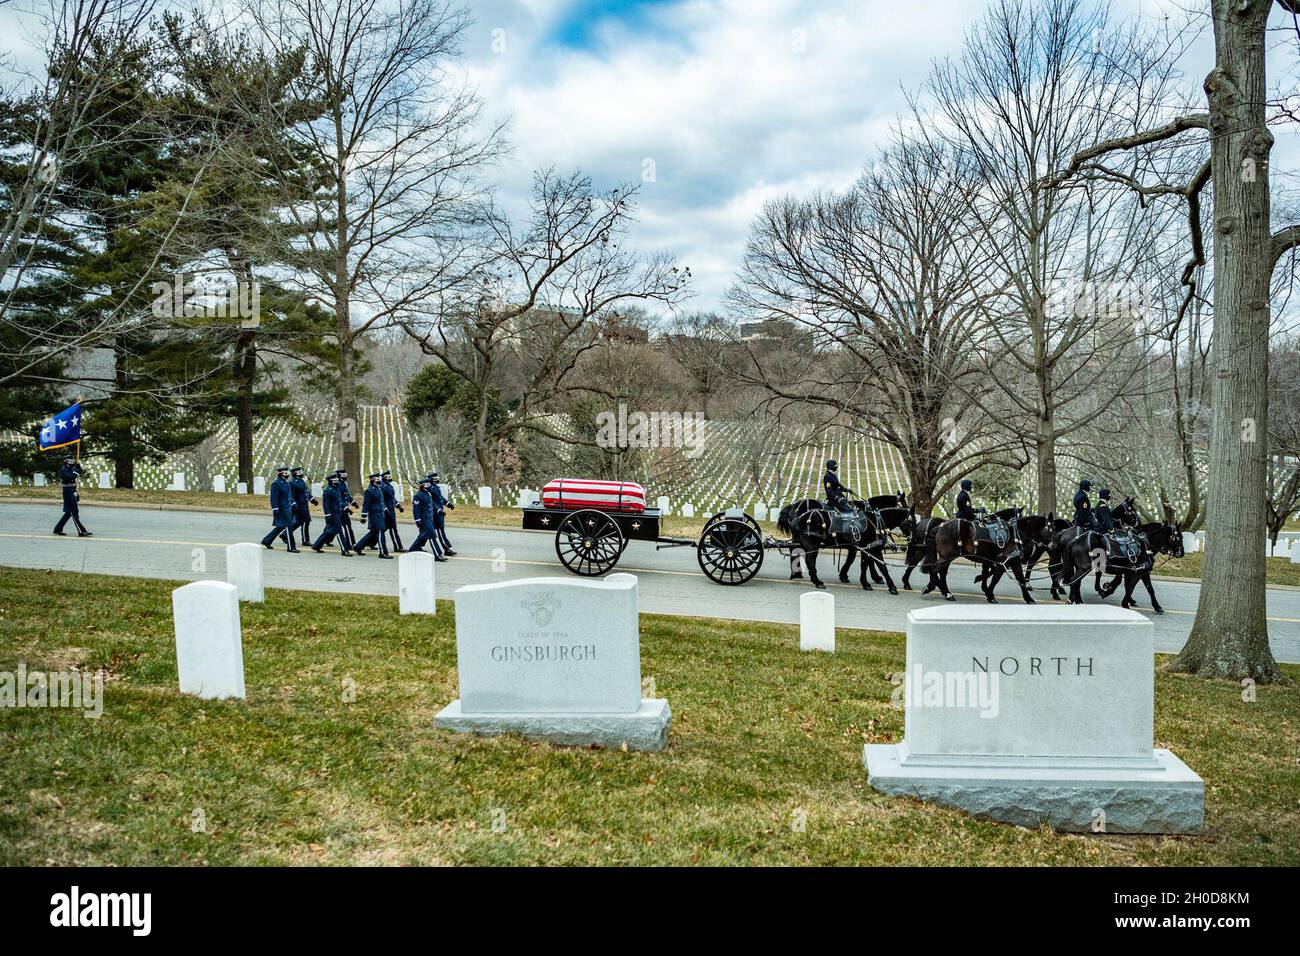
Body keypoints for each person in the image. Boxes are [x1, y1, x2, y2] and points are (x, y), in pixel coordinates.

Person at [311, 473, 353, 556]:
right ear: (331, 481)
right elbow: (325, 505)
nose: (337, 482)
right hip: (333, 514)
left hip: (338, 512)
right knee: (339, 532)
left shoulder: (336, 489)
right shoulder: (328, 491)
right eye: (335, 481)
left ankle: (317, 545)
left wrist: (346, 508)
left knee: (329, 531)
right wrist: (327, 515)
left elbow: (340, 501)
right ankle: (344, 550)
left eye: (337, 481)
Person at [352, 472, 392, 558]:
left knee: (373, 532)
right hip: (374, 515)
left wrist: (386, 510)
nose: (379, 480)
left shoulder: (379, 489)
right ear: (372, 480)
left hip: (380, 514)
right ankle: (383, 552)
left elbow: (381, 501)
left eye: (379, 479)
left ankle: (358, 547)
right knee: (381, 532)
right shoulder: (369, 491)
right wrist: (363, 516)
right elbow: (366, 504)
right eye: (377, 479)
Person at [408, 475, 446, 560]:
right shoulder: (418, 495)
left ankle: (413, 549)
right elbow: (416, 509)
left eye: (428, 484)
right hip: (424, 519)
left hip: (429, 518)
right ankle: (437, 555)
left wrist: (439, 511)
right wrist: (417, 520)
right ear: (422, 486)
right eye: (426, 484)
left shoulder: (428, 494)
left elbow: (432, 504)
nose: (428, 486)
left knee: (423, 535)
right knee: (432, 535)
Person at [52, 455, 92, 537]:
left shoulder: (71, 469)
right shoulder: (63, 470)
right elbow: (72, 476)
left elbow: (76, 474)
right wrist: (76, 470)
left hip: (72, 491)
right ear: (66, 462)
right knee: (74, 512)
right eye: (70, 461)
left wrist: (78, 467)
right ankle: (81, 531)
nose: (72, 463)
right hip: (67, 492)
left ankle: (58, 529)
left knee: (68, 513)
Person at [261, 466, 299, 551]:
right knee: (289, 526)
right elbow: (273, 497)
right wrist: (275, 509)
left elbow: (288, 495)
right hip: (281, 509)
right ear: (280, 473)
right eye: (285, 473)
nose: (287, 475)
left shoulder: (286, 483)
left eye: (287, 473)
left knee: (280, 527)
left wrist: (293, 503)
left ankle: (267, 541)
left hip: (287, 508)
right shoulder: (276, 483)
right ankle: (291, 547)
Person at [429, 471, 456, 556]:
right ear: (432, 479)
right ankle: (446, 549)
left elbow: (440, 498)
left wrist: (448, 504)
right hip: (436, 513)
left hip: (440, 511)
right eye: (436, 479)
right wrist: (438, 510)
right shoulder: (430, 488)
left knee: (425, 533)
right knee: (440, 530)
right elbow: (432, 501)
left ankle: (417, 546)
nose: (438, 480)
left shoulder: (436, 487)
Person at [289, 467, 317, 547]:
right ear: (295, 473)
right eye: (299, 472)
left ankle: (284, 534)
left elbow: (306, 492)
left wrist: (312, 499)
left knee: (299, 522)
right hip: (299, 505)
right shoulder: (293, 483)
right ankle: (305, 540)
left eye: (301, 471)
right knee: (306, 521)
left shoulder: (302, 481)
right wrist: (294, 504)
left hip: (304, 504)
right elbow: (291, 495)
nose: (301, 473)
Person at [380, 469, 405, 552]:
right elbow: (381, 500)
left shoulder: (388, 485)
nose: (390, 478)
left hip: (391, 509)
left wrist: (398, 506)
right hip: (387, 510)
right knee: (393, 528)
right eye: (388, 477)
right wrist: (385, 509)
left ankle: (367, 542)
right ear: (384, 477)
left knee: (382, 529)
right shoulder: (383, 486)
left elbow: (392, 498)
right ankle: (398, 547)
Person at [335, 468, 357, 550]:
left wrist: (353, 502)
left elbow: (347, 495)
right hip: (341, 508)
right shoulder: (338, 485)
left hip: (344, 507)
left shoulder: (344, 484)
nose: (345, 477)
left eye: (345, 475)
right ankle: (350, 543)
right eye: (343, 475)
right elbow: (339, 498)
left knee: (331, 528)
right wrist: (345, 507)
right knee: (347, 525)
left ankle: (322, 541)